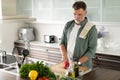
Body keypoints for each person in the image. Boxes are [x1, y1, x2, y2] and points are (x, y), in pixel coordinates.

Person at [60, 1, 97, 69]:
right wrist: (64, 55)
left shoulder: (91, 28)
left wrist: (77, 63)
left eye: (80, 14)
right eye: (74, 14)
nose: (76, 17)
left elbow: (92, 50)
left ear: (85, 13)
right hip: (68, 64)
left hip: (83, 66)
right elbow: (62, 42)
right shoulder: (68, 25)